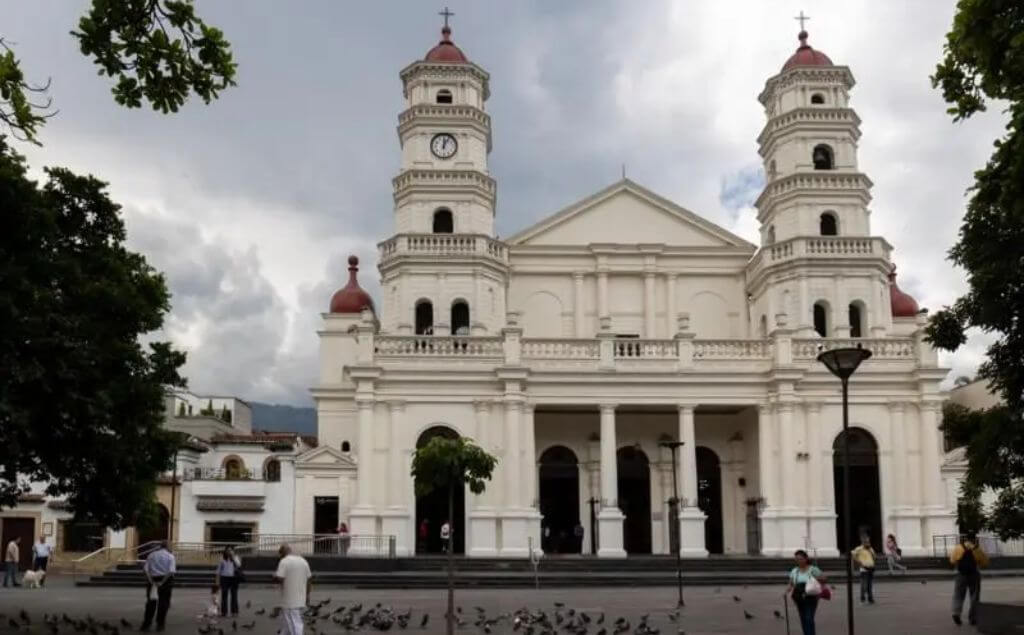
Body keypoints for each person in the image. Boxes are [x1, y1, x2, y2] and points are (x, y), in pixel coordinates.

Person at [950, 534, 989, 626]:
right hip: (974, 574)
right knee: (974, 596)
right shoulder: (977, 550)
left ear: (965, 539)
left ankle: (956, 613)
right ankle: (973, 618)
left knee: (958, 595)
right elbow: (985, 562)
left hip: (961, 575)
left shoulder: (958, 548)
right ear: (974, 540)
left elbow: (952, 560)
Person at [274, 543, 312, 635]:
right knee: (286, 624)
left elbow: (280, 578)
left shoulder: (284, 562)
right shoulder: (303, 561)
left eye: (280, 554)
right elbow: (309, 581)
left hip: (289, 600)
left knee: (295, 624)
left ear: (282, 553)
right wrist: (307, 596)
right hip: (300, 599)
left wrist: (274, 576)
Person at [786, 549, 826, 635]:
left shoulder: (813, 569)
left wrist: (814, 579)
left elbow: (824, 579)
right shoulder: (794, 571)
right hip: (799, 598)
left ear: (806, 559)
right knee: (803, 618)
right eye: (797, 559)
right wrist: (786, 591)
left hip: (811, 597)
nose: (799, 561)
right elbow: (791, 583)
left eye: (801, 559)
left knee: (809, 618)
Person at [141, 540, 176, 631]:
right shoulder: (170, 556)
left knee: (151, 602)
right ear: (167, 546)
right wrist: (162, 582)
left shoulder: (151, 555)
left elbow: (145, 569)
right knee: (163, 603)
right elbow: (171, 571)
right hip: (165, 581)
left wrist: (151, 580)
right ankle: (160, 624)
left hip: (153, 580)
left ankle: (146, 624)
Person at [215, 546, 241, 617]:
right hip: (224, 578)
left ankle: (234, 612)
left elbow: (239, 565)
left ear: (233, 551)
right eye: (227, 550)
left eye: (230, 550)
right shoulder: (222, 559)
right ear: (225, 551)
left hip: (234, 578)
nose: (229, 552)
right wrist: (217, 581)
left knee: (234, 595)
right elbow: (218, 571)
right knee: (224, 595)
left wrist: (233, 557)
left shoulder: (236, 557)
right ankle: (224, 612)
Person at [851, 535, 877, 604]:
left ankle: (870, 598)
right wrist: (859, 562)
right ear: (863, 542)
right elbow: (853, 554)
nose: (868, 543)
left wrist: (872, 560)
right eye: (866, 542)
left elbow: (874, 556)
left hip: (871, 568)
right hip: (864, 569)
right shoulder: (859, 549)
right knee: (864, 584)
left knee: (870, 585)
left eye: (868, 541)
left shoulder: (870, 549)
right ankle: (862, 598)